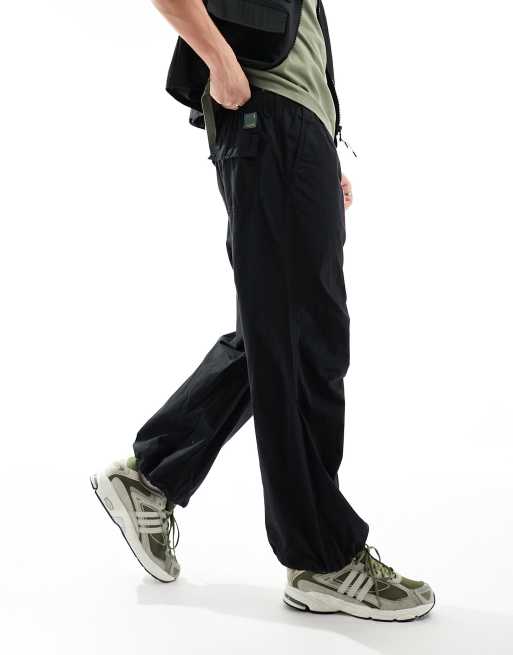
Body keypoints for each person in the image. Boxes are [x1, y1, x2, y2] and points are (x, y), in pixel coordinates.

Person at [91, 0, 435, 621]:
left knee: (278, 332)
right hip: (269, 119)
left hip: (295, 132)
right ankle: (321, 559)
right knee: (302, 338)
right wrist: (221, 64)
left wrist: (323, 145)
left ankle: (151, 477)